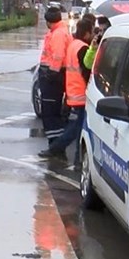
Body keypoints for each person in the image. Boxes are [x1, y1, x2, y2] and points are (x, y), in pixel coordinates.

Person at [40, 17, 94, 160]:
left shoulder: (73, 44)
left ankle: (77, 159)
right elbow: (86, 72)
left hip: (73, 93)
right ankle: (56, 148)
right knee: (76, 128)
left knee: (77, 127)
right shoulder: (83, 48)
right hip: (82, 94)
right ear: (87, 33)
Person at [37, 6, 71, 147]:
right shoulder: (60, 31)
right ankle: (55, 143)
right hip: (54, 75)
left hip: (52, 77)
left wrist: (51, 73)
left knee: (50, 110)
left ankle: (55, 145)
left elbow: (57, 56)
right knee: (52, 110)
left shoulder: (58, 34)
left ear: (48, 21)